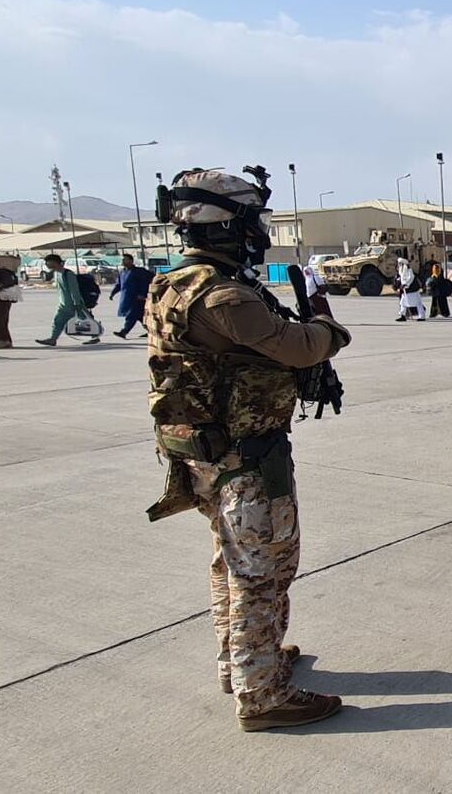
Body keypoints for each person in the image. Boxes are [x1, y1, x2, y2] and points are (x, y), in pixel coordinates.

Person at [142, 166, 351, 732]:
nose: (260, 231)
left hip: (204, 451)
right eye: (253, 221)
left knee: (230, 562)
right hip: (245, 458)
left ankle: (243, 663)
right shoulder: (225, 295)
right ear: (228, 227)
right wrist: (330, 329)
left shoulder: (171, 283)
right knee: (263, 570)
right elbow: (297, 346)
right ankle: (262, 695)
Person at [35, 254, 100, 346]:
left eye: (48, 262)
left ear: (55, 262)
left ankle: (95, 337)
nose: (46, 264)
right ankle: (53, 339)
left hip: (73, 303)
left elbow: (74, 290)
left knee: (86, 320)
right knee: (58, 321)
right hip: (64, 303)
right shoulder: (56, 273)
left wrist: (77, 303)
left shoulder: (68, 274)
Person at [110, 253, 154, 339]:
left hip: (137, 298)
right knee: (140, 316)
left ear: (131, 261)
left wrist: (142, 294)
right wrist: (112, 293)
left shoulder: (138, 271)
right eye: (122, 260)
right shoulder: (123, 272)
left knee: (131, 315)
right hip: (127, 298)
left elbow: (144, 283)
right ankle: (151, 331)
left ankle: (124, 332)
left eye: (125, 259)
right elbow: (119, 285)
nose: (123, 261)